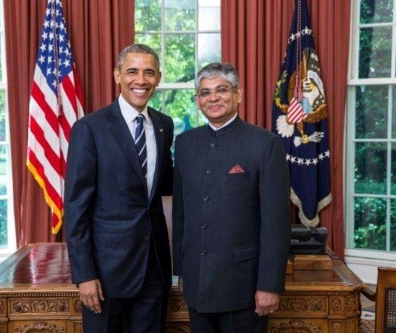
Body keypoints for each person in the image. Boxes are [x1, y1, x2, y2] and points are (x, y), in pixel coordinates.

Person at [172, 63, 291, 333]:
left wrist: (269, 285)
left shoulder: (264, 144)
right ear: (197, 100)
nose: (212, 98)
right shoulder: (185, 143)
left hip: (244, 287)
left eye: (221, 90)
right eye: (204, 93)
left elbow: (276, 224)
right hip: (197, 283)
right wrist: (181, 272)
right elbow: (182, 214)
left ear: (238, 93)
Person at [64, 43, 174, 333]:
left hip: (154, 267)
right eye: (132, 71)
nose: (141, 80)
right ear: (117, 75)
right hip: (105, 272)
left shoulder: (164, 125)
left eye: (149, 72)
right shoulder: (90, 128)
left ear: (158, 78)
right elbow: (76, 208)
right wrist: (84, 275)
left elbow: (167, 182)